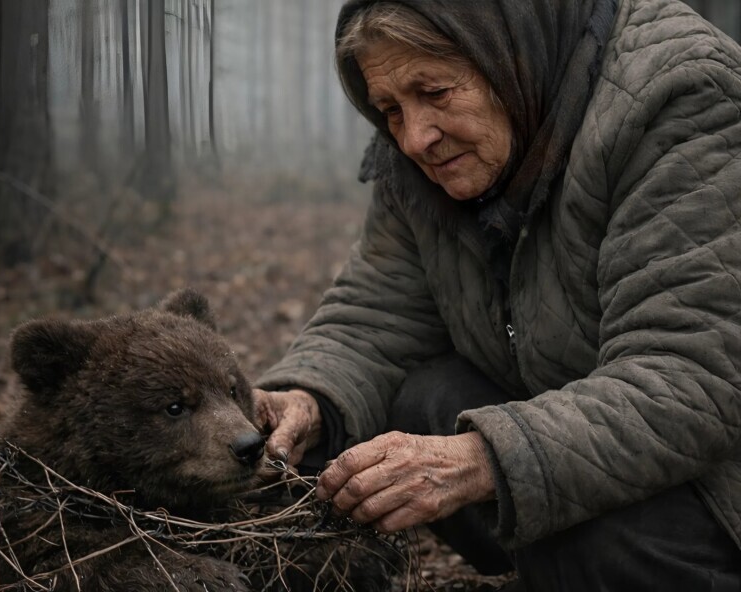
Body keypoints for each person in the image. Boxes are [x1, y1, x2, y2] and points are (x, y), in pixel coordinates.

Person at [253, 0, 741, 589]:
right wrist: (306, 396)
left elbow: (693, 376)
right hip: (572, 448)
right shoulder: (428, 151)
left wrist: (483, 460)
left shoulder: (678, 95)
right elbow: (377, 310)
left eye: (434, 92)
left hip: (713, 488)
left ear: (505, 51)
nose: (415, 138)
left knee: (600, 533)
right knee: (420, 396)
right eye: (390, 110)